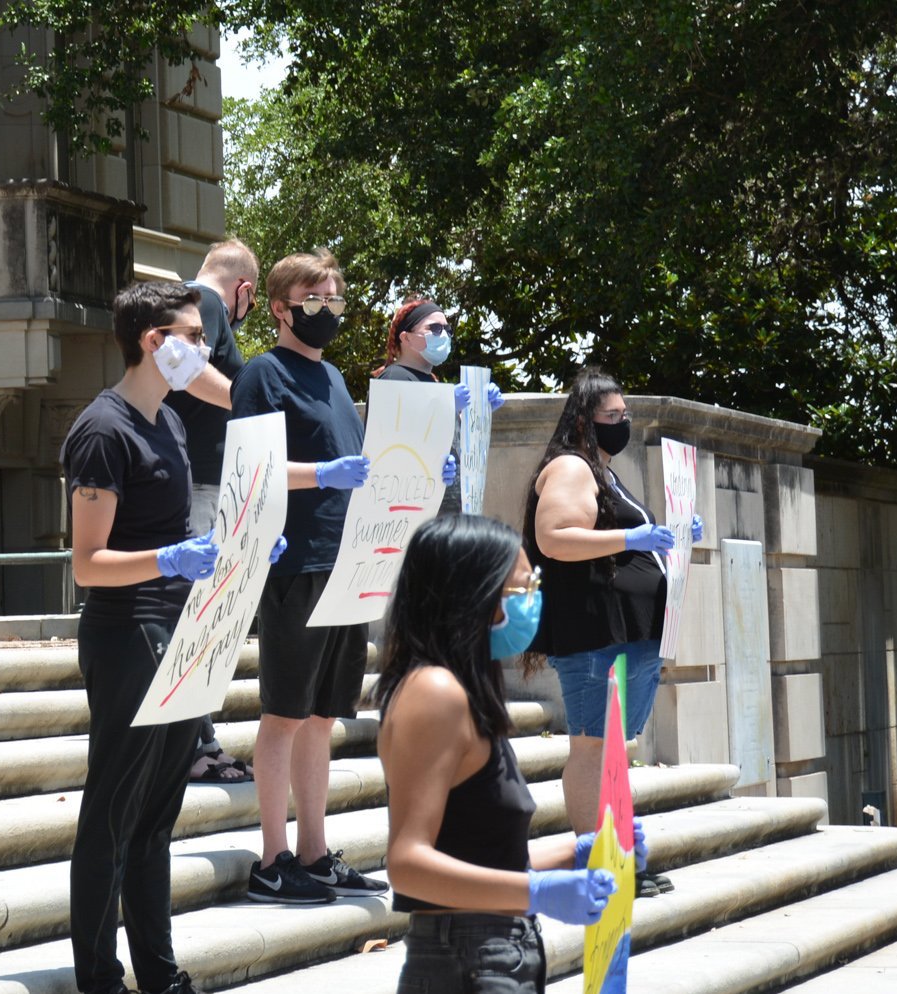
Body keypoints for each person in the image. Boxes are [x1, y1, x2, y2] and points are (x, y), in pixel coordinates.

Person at [63, 281, 286, 994]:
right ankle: (100, 977)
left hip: (180, 627)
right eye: (193, 336)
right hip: (129, 633)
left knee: (157, 816)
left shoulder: (170, 422)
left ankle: (159, 974)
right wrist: (167, 561)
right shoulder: (104, 430)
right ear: (154, 342)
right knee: (112, 814)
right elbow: (86, 563)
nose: (207, 347)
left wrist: (234, 549)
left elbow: (176, 535)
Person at [376, 514, 626, 994]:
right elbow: (407, 862)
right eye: (523, 587)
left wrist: (577, 853)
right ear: (473, 593)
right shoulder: (434, 692)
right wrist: (536, 892)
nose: (534, 598)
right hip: (467, 960)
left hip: (492, 951)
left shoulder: (465, 690)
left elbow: (475, 851)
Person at [231, 249, 389, 904]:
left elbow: (357, 465)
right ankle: (272, 859)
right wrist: (322, 475)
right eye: (313, 300)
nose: (327, 311)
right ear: (279, 307)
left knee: (324, 716)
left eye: (334, 301)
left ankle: (314, 851)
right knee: (285, 714)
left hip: (346, 562)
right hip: (296, 561)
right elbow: (252, 466)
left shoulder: (333, 381)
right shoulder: (263, 375)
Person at [522, 368, 698, 897]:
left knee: (613, 748)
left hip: (628, 633)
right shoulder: (572, 467)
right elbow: (554, 539)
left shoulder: (604, 470)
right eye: (612, 417)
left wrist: (673, 537)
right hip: (594, 632)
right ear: (584, 419)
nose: (622, 424)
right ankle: (598, 856)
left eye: (626, 416)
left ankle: (618, 852)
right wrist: (635, 535)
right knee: (593, 748)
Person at [173, 239, 260, 786]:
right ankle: (193, 744)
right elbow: (185, 368)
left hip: (203, 480)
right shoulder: (205, 302)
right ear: (244, 292)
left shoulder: (189, 302)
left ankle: (200, 738)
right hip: (200, 483)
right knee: (199, 615)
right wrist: (249, 400)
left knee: (204, 614)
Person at [372, 297, 506, 516]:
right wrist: (446, 407)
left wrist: (479, 411)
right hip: (413, 512)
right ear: (406, 338)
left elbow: (448, 436)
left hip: (444, 507)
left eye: (447, 329)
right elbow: (394, 440)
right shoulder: (394, 377)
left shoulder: (432, 381)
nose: (443, 335)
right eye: (434, 328)